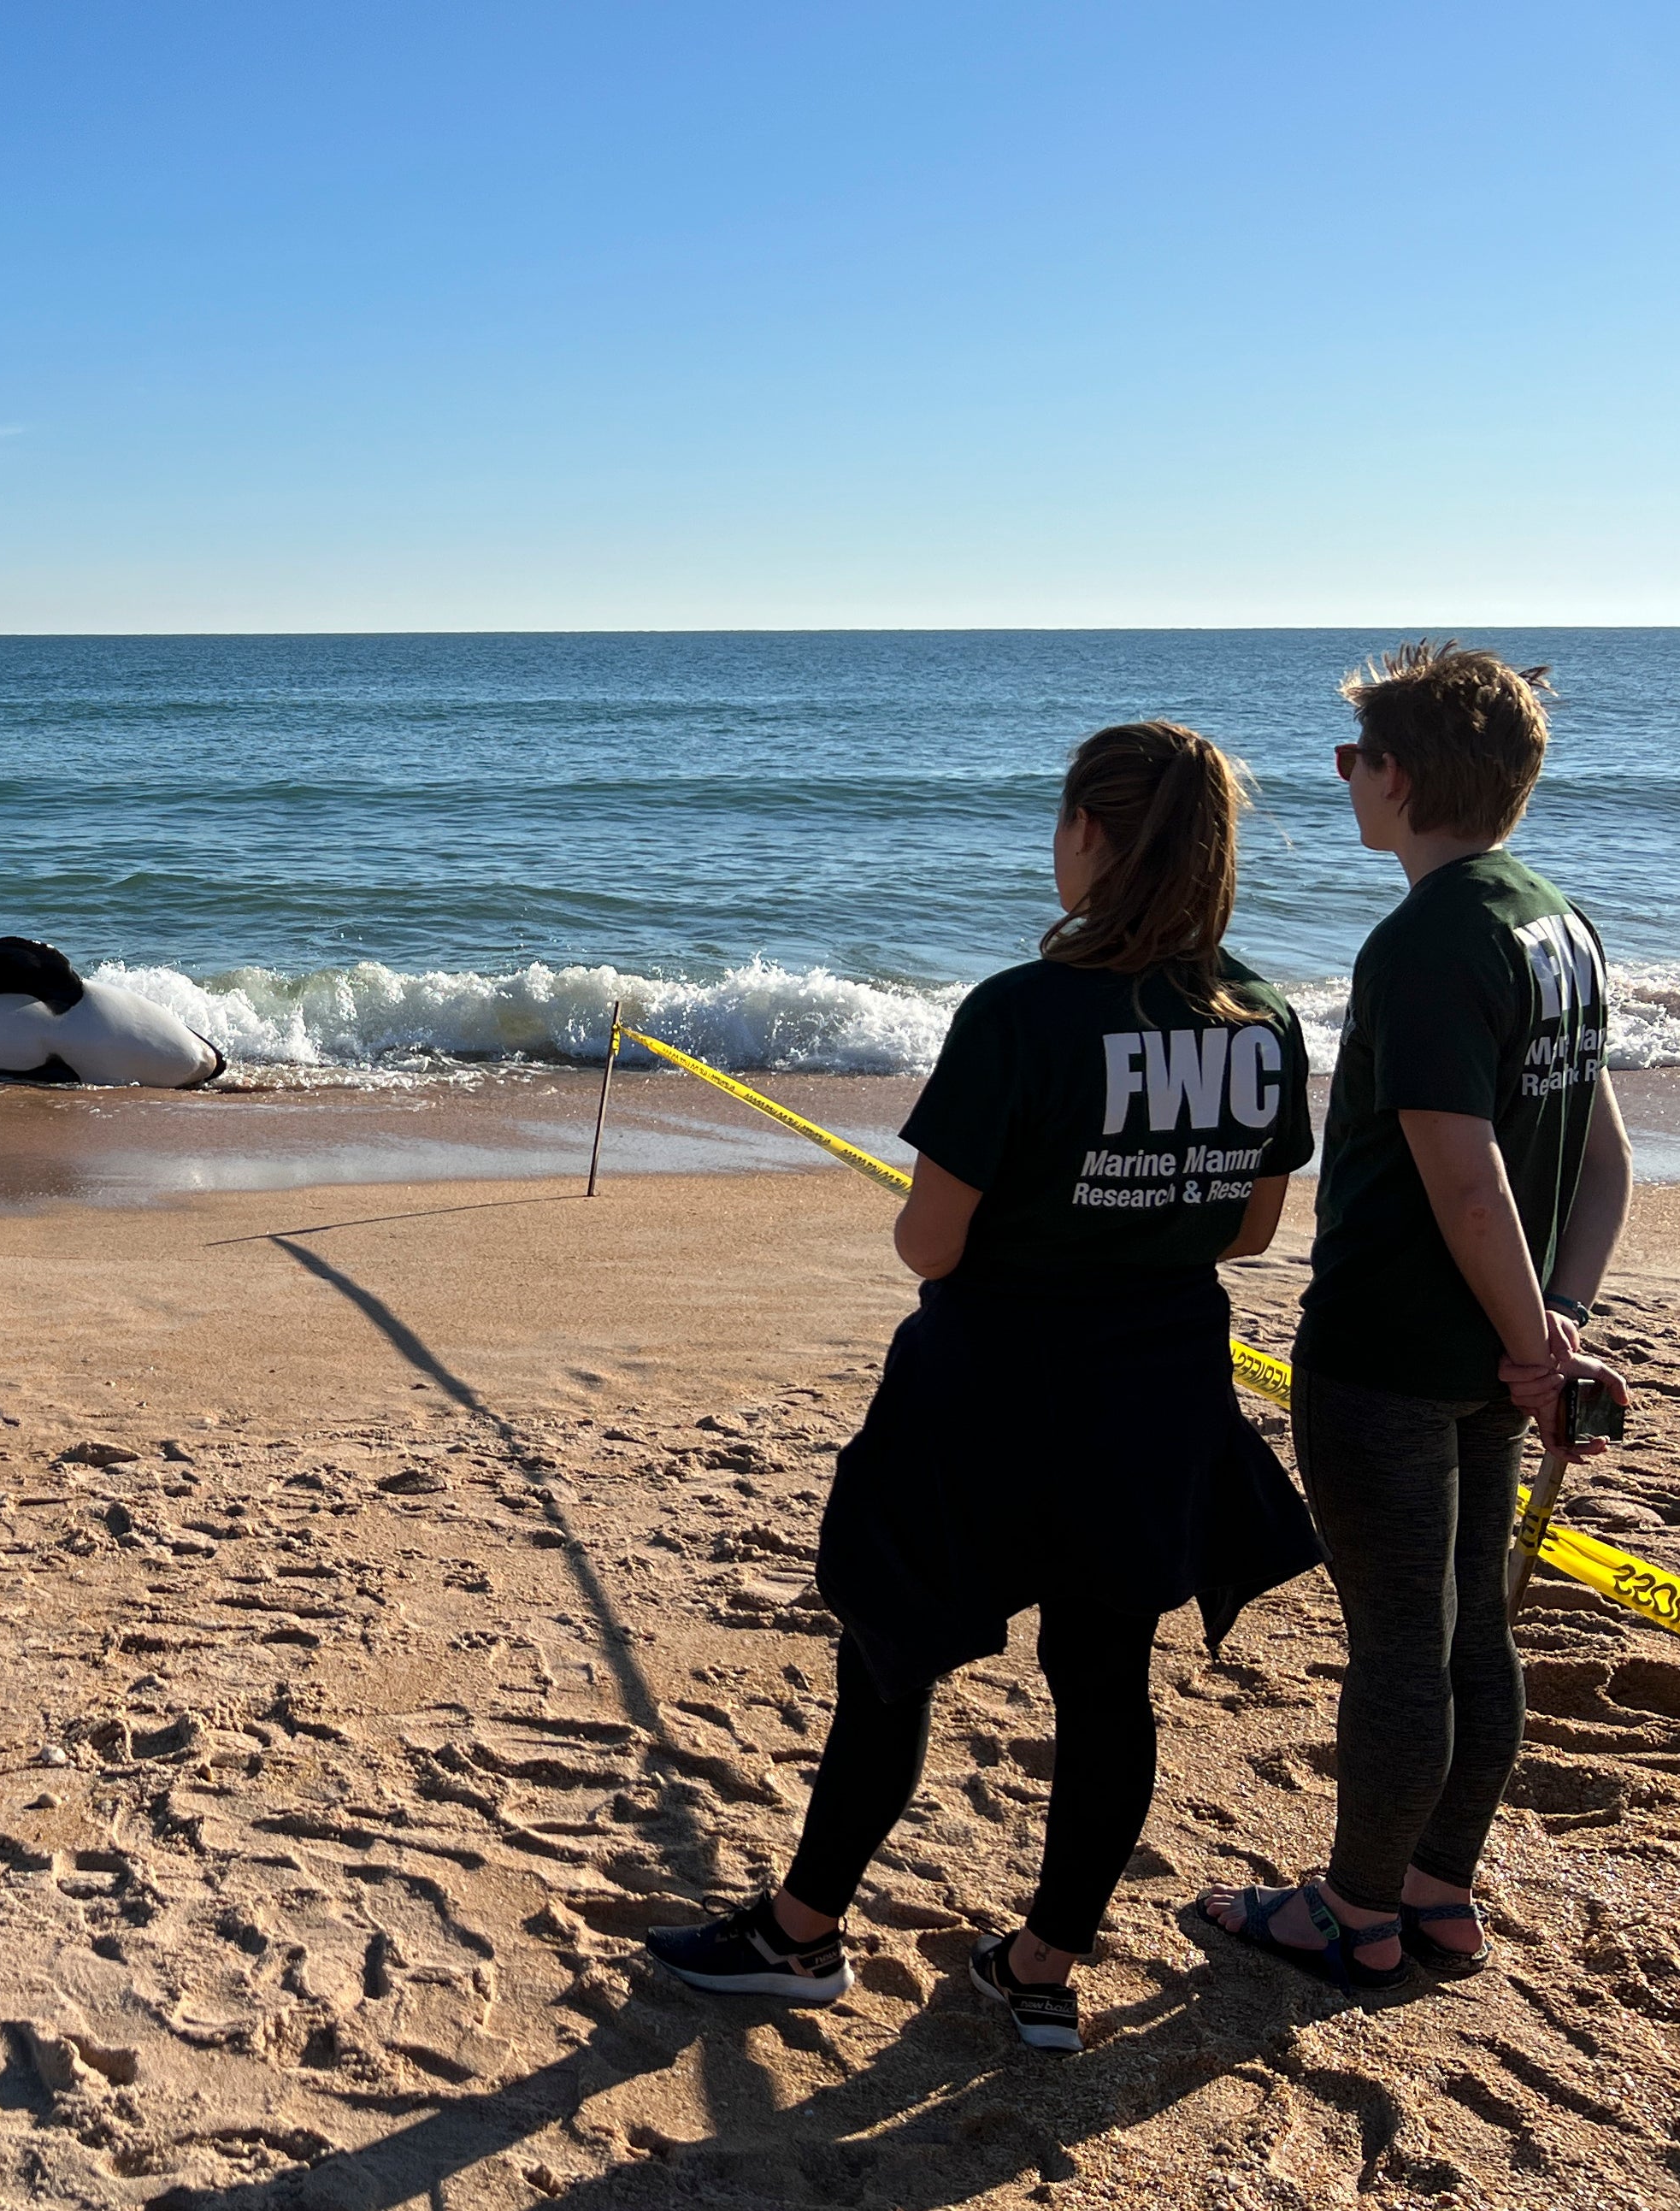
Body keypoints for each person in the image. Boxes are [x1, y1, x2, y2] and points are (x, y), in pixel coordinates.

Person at [648, 721, 1324, 2052]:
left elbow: (928, 1241)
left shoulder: (1018, 1010)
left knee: (889, 1653)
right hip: (1155, 1387)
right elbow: (1250, 1229)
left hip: (989, 1387)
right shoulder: (1260, 1018)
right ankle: (1041, 1967)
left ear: (1087, 834)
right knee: (1105, 1674)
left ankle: (798, 1933)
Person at [1201, 644, 1632, 1990]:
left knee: (1401, 1642)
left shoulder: (1424, 940)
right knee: (1467, 1630)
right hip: (1492, 1351)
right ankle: (1438, 1892)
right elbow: (1602, 1158)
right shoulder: (1557, 922)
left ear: (1396, 775)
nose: (1342, 780)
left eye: (1352, 759)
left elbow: (1463, 1174)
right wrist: (1551, 1318)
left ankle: (1355, 1908)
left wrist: (1533, 1339)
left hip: (1392, 1348)